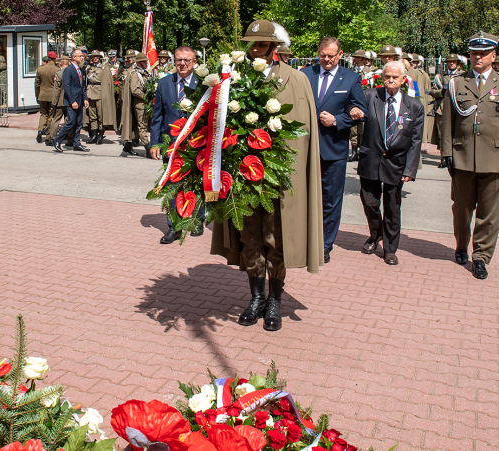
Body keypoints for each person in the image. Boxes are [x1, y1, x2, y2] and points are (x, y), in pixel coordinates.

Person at [211, 20, 323, 332]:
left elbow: (300, 134)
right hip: (244, 176)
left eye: (260, 45)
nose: (254, 50)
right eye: (251, 44)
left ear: (274, 48)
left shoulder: (296, 79)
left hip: (277, 178)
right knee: (250, 237)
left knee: (276, 239)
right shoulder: (237, 78)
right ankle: (256, 297)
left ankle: (275, 299)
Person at [440, 32, 499, 280]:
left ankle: (481, 257)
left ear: (493, 56)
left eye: (484, 53)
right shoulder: (456, 83)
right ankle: (461, 244)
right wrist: (446, 152)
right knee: (462, 209)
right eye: (475, 53)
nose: (478, 57)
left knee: (489, 212)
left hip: (495, 156)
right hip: (462, 155)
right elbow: (447, 121)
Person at [301, 36, 367, 263]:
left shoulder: (350, 78)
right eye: (323, 55)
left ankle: (324, 244)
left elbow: (360, 111)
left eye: (331, 56)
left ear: (340, 55)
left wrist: (338, 120)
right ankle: (304, 238)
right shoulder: (305, 74)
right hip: (305, 149)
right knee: (304, 196)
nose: (326, 60)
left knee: (331, 200)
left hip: (333, 150)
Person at [356, 61, 424, 266]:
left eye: (395, 77)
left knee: (393, 207)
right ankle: (375, 234)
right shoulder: (370, 97)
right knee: (369, 202)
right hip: (371, 160)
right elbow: (353, 106)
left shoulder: (414, 106)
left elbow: (416, 141)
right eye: (387, 76)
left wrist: (411, 169)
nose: (391, 80)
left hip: (397, 163)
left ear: (403, 79)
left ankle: (390, 248)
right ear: (382, 77)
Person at [149, 45, 202, 243]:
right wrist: (155, 143)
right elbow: (157, 116)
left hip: (196, 144)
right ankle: (174, 227)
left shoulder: (203, 83)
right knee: (172, 186)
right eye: (178, 60)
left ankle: (197, 219)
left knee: (196, 185)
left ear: (194, 62)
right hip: (170, 144)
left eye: (186, 60)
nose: (182, 63)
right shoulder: (164, 83)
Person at [429, 53, 464, 168]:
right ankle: (443, 158)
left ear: (458, 64)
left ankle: (457, 157)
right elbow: (432, 91)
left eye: (454, 62)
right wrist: (442, 92)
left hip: (458, 108)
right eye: (450, 62)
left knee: (458, 133)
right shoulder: (440, 77)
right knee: (442, 134)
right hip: (443, 108)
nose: (452, 63)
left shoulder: (463, 76)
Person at [53, 49, 90, 153]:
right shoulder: (68, 70)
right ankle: (57, 140)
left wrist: (85, 98)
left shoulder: (79, 69)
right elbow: (67, 87)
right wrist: (72, 101)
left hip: (79, 99)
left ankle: (77, 143)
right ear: (73, 57)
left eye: (82, 56)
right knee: (71, 122)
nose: (81, 58)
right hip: (72, 101)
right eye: (79, 56)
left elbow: (82, 86)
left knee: (78, 123)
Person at [121, 52, 150, 156]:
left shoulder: (144, 73)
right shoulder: (135, 74)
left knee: (138, 126)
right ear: (140, 63)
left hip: (144, 103)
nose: (147, 63)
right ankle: (148, 148)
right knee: (142, 126)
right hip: (140, 103)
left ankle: (127, 147)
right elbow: (135, 90)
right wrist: (146, 97)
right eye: (145, 61)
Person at [85, 50, 117, 144]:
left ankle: (100, 135)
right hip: (90, 92)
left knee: (100, 115)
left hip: (100, 93)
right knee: (92, 115)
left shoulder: (104, 68)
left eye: (97, 56)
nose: (95, 58)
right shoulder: (88, 68)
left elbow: (107, 83)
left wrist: (106, 95)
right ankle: (94, 135)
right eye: (93, 56)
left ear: (99, 57)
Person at [348, 50, 374, 162]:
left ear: (364, 59)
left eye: (359, 57)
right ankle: (354, 152)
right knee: (353, 129)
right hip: (353, 103)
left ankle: (362, 151)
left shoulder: (370, 72)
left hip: (364, 102)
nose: (357, 59)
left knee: (363, 128)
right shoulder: (351, 71)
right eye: (356, 57)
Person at [34, 51, 59, 144]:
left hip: (42, 95)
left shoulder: (40, 69)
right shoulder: (57, 70)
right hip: (52, 96)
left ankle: (40, 130)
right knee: (51, 116)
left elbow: (37, 84)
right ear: (55, 59)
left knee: (43, 114)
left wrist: (37, 95)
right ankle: (48, 136)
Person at [46, 54, 70, 144]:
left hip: (60, 100)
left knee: (55, 119)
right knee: (69, 120)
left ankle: (53, 138)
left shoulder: (59, 73)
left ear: (61, 62)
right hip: (70, 100)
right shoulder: (72, 72)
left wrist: (54, 102)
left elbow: (57, 89)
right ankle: (70, 138)